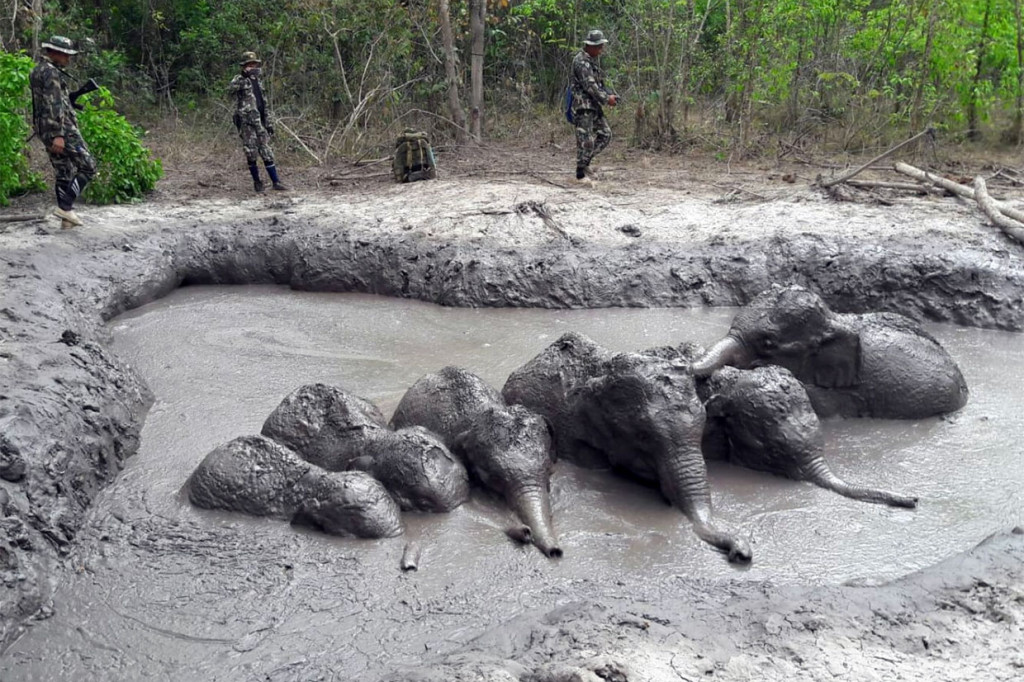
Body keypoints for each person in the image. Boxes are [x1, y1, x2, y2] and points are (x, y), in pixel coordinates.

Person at [30, 35, 97, 229]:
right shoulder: (51, 73)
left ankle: (66, 220)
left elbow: (45, 102)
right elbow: (54, 104)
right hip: (60, 129)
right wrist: (58, 134)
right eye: (66, 54)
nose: (68, 59)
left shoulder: (38, 70)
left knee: (63, 170)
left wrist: (70, 102)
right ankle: (66, 207)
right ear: (55, 53)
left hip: (44, 128)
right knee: (88, 165)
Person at [229, 51, 287, 192]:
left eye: (254, 64)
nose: (253, 67)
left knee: (266, 152)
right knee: (251, 153)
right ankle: (257, 182)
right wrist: (243, 77)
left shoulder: (259, 82)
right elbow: (230, 91)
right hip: (247, 123)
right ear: (244, 66)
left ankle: (276, 182)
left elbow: (264, 103)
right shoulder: (239, 80)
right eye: (249, 64)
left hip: (260, 122)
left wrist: (269, 123)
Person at [570, 29, 617, 184]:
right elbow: (590, 87)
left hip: (594, 107)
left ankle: (585, 164)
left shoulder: (590, 61)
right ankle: (580, 174)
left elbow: (598, 85)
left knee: (605, 134)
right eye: (599, 47)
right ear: (590, 46)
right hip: (583, 107)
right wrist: (606, 99)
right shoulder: (581, 61)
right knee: (585, 140)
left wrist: (609, 95)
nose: (601, 50)